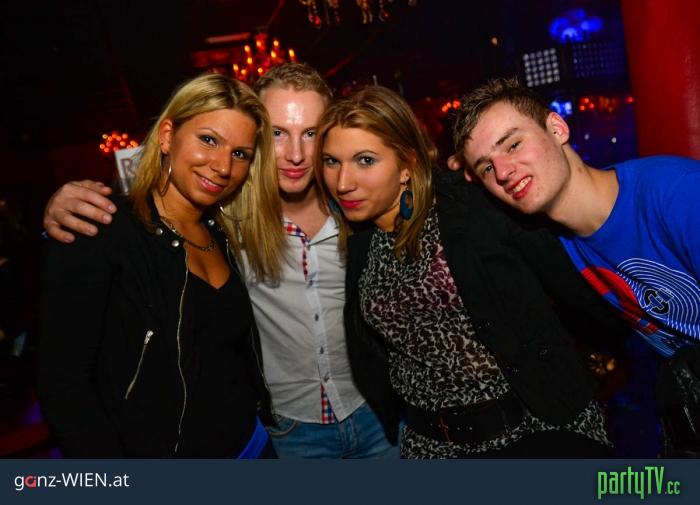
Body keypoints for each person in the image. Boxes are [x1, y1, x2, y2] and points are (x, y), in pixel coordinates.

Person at [41, 63, 396, 459]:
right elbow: (66, 377)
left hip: (371, 415)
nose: (295, 154)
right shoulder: (229, 219)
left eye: (310, 134)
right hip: (288, 433)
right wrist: (61, 207)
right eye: (277, 133)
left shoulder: (360, 209)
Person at [315, 85, 622, 458]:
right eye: (331, 161)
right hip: (431, 446)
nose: (343, 182)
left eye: (365, 160)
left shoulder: (469, 207)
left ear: (407, 164)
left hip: (533, 429)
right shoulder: (363, 242)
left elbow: (574, 287)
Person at [453, 77, 700, 455]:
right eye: (486, 167)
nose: (502, 172)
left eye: (513, 144)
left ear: (557, 128)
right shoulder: (557, 245)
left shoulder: (677, 194)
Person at [37, 73, 279, 458]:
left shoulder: (224, 232)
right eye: (208, 140)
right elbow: (63, 385)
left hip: (253, 446)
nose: (222, 166)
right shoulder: (102, 229)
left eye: (240, 154)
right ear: (167, 136)